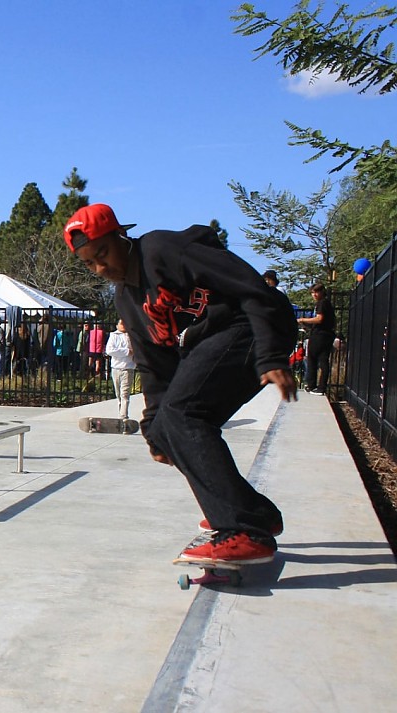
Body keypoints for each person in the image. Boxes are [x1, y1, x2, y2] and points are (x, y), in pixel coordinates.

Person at [64, 202, 296, 565]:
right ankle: (253, 514)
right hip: (216, 342)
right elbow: (155, 368)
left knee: (183, 413)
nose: (101, 268)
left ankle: (245, 529)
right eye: (90, 263)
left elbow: (250, 287)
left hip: (253, 324)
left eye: (104, 253)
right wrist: (154, 432)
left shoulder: (162, 251)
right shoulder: (127, 299)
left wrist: (270, 354)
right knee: (173, 425)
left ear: (121, 236)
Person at [298, 282, 335, 395]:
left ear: (322, 292)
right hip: (324, 334)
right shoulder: (325, 303)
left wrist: (303, 320)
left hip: (320, 335)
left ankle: (313, 385)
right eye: (312, 293)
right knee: (322, 359)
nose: (314, 295)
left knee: (313, 358)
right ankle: (318, 386)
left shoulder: (322, 303)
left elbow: (319, 319)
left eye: (316, 292)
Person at [104, 319, 136, 420]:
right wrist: (126, 351)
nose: (123, 325)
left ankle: (123, 416)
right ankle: (120, 414)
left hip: (128, 368)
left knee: (125, 394)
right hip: (116, 368)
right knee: (118, 394)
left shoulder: (131, 336)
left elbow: (135, 350)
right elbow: (110, 350)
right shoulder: (114, 335)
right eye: (121, 323)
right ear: (117, 325)